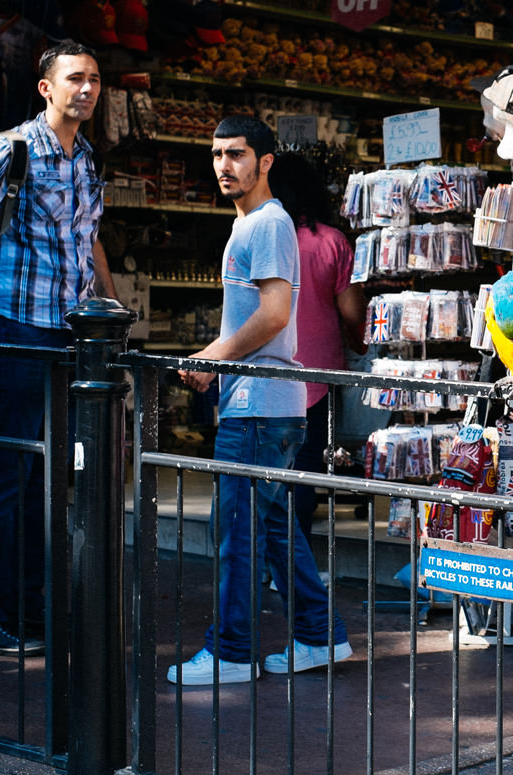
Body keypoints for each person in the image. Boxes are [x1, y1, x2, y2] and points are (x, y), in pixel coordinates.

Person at [0, 41, 116, 656]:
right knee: (9, 473)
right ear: (46, 87)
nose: (86, 89)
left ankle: (31, 608)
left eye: (93, 79)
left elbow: (90, 242)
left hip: (70, 335)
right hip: (14, 328)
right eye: (74, 79)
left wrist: (111, 312)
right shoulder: (8, 150)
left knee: (48, 479)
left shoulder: (87, 158)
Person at [168, 116, 350, 686]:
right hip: (270, 403)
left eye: (238, 154)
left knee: (239, 535)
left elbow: (274, 316)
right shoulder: (255, 224)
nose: (225, 165)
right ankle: (320, 638)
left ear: (266, 161)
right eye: (218, 154)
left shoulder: (266, 226)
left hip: (259, 404)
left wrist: (210, 359)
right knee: (273, 531)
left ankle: (230, 652)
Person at [267, 152, 366, 542]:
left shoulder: (263, 237)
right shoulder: (331, 242)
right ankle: (296, 565)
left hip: (266, 374)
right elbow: (352, 310)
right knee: (304, 473)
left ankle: (266, 564)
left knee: (264, 473)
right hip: (317, 378)